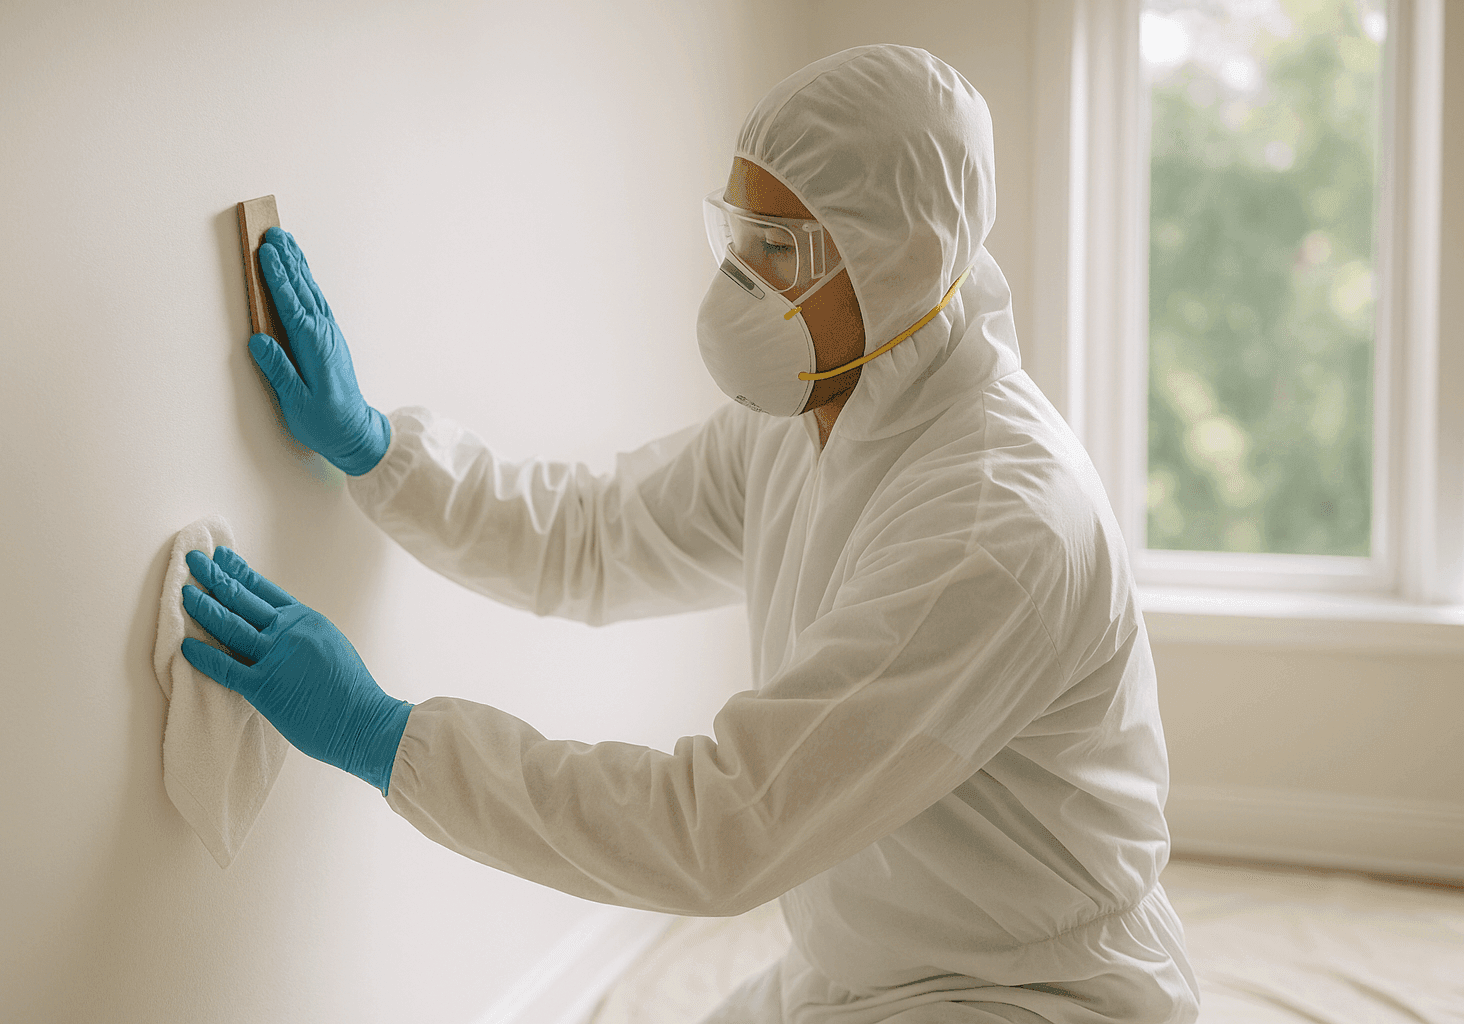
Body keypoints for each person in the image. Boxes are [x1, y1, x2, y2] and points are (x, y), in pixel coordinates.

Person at [180, 44, 1201, 1024]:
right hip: (864, 972)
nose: (738, 288)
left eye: (779, 251)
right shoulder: (814, 413)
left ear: (901, 259)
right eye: (736, 237)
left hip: (1028, 998)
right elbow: (591, 536)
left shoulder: (996, 528)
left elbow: (721, 828)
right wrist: (377, 450)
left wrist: (382, 734)